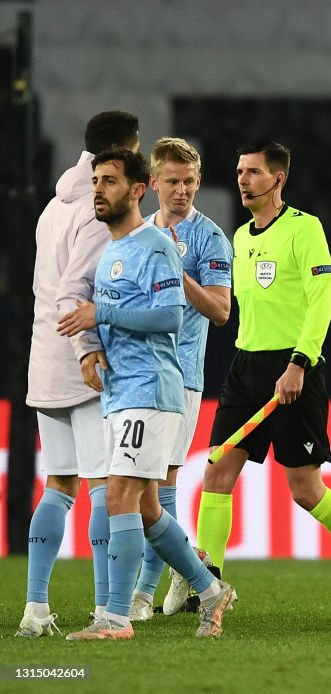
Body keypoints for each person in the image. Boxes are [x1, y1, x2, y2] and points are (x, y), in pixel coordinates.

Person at [197, 141, 331, 613]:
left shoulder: (305, 230)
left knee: (305, 489)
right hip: (245, 367)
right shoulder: (240, 237)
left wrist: (299, 364)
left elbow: (319, 301)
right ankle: (208, 585)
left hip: (294, 369)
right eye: (240, 172)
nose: (244, 180)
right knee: (217, 471)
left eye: (254, 172)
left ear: (279, 179)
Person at [57, 148, 235, 639]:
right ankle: (210, 588)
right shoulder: (114, 248)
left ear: (137, 189)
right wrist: (90, 347)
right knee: (149, 506)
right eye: (96, 180)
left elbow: (169, 317)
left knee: (119, 496)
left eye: (109, 181)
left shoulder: (156, 246)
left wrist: (101, 314)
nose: (98, 189)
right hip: (122, 391)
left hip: (152, 388)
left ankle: (116, 616)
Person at [18, 111, 139, 638]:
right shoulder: (95, 210)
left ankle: (35, 609)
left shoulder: (51, 206)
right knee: (101, 488)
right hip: (81, 364)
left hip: (43, 358)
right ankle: (102, 610)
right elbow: (78, 287)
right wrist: (90, 349)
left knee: (58, 485)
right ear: (126, 148)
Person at [129, 137, 233, 621]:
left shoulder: (210, 238)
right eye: (172, 181)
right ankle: (180, 570)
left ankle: (144, 594)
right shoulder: (138, 232)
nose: (182, 190)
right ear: (153, 183)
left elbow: (220, 311)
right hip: (134, 375)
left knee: (158, 482)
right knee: (139, 484)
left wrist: (179, 270)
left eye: (190, 181)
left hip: (180, 377)